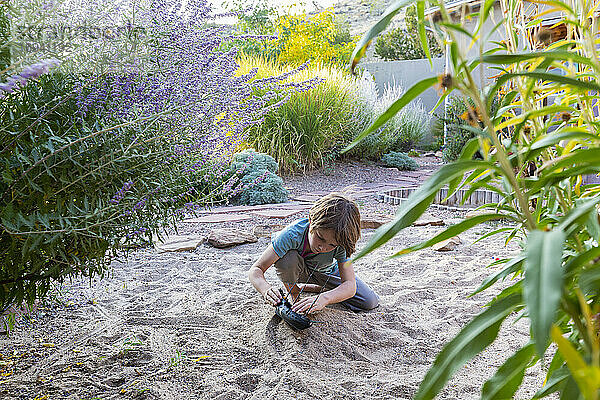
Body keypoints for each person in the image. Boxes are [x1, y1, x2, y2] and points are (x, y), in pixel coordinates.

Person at [248, 192, 379, 314]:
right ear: (311, 220)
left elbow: (350, 285)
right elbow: (256, 270)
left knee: (369, 301)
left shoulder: (341, 240)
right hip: (296, 272)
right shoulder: (291, 234)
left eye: (332, 245)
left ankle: (316, 288)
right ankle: (294, 292)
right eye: (320, 238)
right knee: (287, 258)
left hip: (326, 272)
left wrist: (325, 298)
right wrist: (265, 289)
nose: (323, 247)